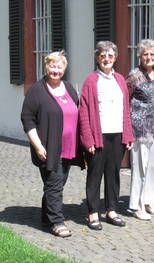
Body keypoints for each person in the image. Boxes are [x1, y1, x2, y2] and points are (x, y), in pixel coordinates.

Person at [21, 51, 84, 238]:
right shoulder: (37, 90)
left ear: (64, 69)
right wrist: (38, 145)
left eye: (59, 67)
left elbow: (76, 111)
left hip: (68, 147)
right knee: (54, 184)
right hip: (48, 147)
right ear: (46, 67)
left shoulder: (69, 88)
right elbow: (27, 118)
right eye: (52, 66)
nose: (55, 70)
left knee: (55, 183)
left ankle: (45, 217)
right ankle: (57, 221)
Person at [79, 41, 134, 230]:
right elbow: (84, 112)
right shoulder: (91, 80)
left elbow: (126, 109)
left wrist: (128, 135)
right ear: (97, 58)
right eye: (103, 56)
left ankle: (111, 210)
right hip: (98, 136)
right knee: (95, 174)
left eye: (110, 56)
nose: (107, 59)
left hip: (117, 135)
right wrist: (88, 139)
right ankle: (93, 212)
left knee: (113, 174)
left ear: (116, 58)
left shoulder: (120, 79)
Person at [126, 39, 154, 220]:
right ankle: (137, 205)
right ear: (140, 56)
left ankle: (150, 201)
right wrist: (126, 128)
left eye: (152, 54)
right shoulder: (134, 75)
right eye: (145, 54)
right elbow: (125, 100)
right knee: (140, 167)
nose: (149, 57)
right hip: (139, 129)